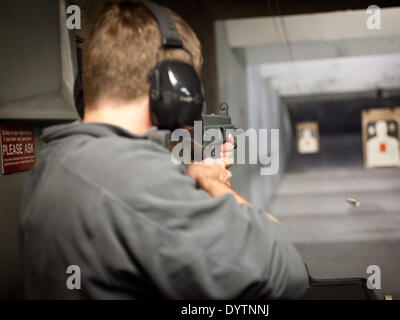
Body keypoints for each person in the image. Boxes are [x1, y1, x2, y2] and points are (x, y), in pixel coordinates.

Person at [19, 0, 308, 299]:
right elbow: (286, 272)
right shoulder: (132, 179)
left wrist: (186, 173)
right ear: (173, 90)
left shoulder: (54, 159)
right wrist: (209, 182)